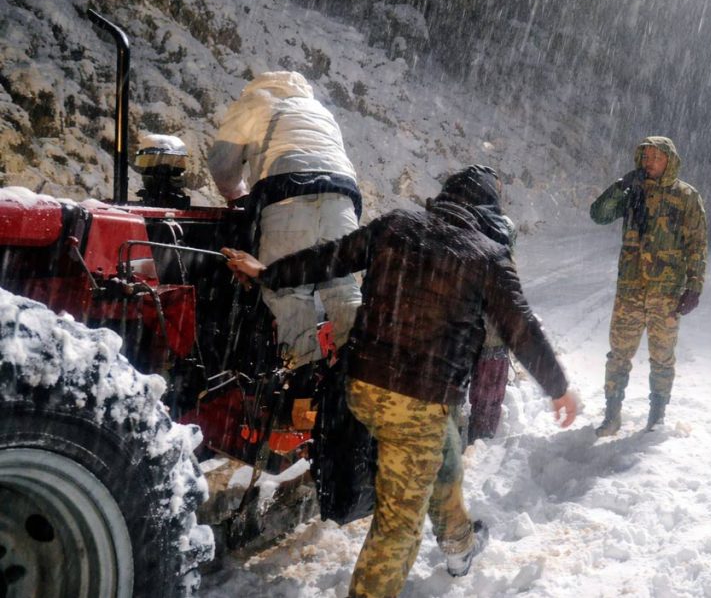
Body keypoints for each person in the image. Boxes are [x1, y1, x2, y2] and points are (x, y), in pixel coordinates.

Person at [222, 165, 577, 598]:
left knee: (444, 453)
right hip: (416, 401)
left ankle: (459, 542)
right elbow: (522, 330)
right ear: (488, 211)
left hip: (364, 385)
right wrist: (558, 387)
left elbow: (330, 257)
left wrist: (268, 273)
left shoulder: (397, 226)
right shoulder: (488, 258)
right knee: (398, 528)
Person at [207, 70, 362, 373]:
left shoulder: (254, 101)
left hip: (288, 198)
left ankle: (302, 377)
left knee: (288, 288)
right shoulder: (318, 110)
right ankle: (361, 369)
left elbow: (223, 167)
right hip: (341, 201)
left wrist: (238, 196)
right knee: (340, 283)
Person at [590, 136, 707, 436]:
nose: (651, 162)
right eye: (646, 157)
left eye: (657, 157)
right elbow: (599, 214)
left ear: (670, 160)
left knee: (662, 357)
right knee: (618, 355)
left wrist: (694, 286)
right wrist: (620, 186)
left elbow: (697, 245)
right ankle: (612, 415)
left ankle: (657, 417)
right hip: (630, 290)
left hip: (665, 294)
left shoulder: (685, 196)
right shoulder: (632, 193)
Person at [467, 213, 516, 442]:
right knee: (488, 397)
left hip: (471, 340)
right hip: (492, 345)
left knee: (478, 396)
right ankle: (481, 436)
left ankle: (475, 435)